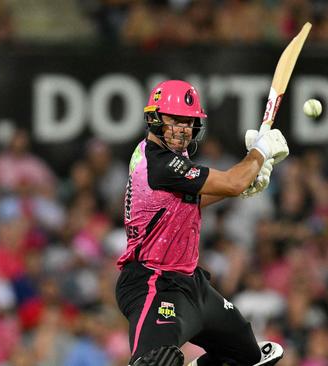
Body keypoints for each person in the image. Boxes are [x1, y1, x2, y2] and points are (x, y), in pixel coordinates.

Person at [115, 80, 288, 366]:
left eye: (188, 121)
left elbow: (183, 202)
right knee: (155, 361)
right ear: (154, 118)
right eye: (174, 120)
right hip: (154, 283)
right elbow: (232, 182)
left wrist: (246, 183)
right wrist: (260, 152)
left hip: (191, 282)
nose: (182, 129)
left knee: (247, 356)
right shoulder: (161, 164)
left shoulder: (163, 153)